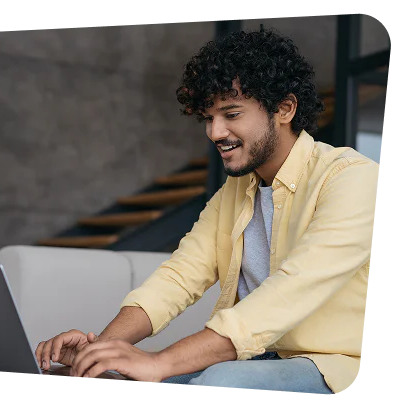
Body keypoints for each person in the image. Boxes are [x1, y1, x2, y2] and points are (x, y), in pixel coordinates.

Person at [35, 27, 379, 394]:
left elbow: (291, 291)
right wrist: (100, 351)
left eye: (231, 114)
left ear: (284, 108)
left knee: (220, 382)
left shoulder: (352, 178)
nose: (215, 132)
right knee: (124, 380)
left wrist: (160, 361)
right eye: (208, 118)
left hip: (328, 364)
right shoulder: (235, 192)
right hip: (249, 359)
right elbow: (178, 278)